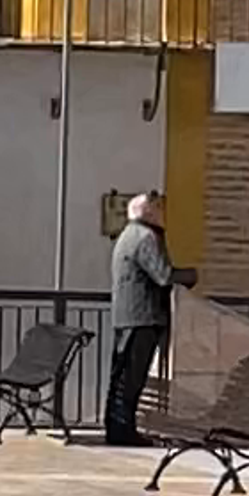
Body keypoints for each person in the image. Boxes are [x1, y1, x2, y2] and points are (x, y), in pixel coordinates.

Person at [102, 189, 176, 445]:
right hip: (142, 318)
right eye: (156, 209)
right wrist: (190, 276)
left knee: (121, 376)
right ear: (148, 212)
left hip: (127, 318)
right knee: (131, 378)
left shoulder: (127, 235)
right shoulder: (145, 237)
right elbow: (163, 275)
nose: (161, 213)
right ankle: (123, 431)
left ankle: (116, 428)